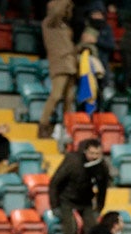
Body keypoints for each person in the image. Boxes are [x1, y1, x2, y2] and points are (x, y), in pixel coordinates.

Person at [48, 138, 110, 234]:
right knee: (71, 227)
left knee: (93, 228)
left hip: (86, 201)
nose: (94, 157)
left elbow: (103, 189)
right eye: (91, 153)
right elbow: (54, 183)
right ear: (85, 152)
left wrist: (99, 208)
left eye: (97, 154)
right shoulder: (72, 161)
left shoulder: (102, 167)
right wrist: (55, 206)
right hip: (66, 199)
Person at [38, 0, 77, 139]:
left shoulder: (64, 25)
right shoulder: (49, 23)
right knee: (56, 95)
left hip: (70, 63)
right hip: (59, 63)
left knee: (69, 98)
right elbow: (57, 12)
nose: (67, 10)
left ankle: (67, 126)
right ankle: (43, 124)